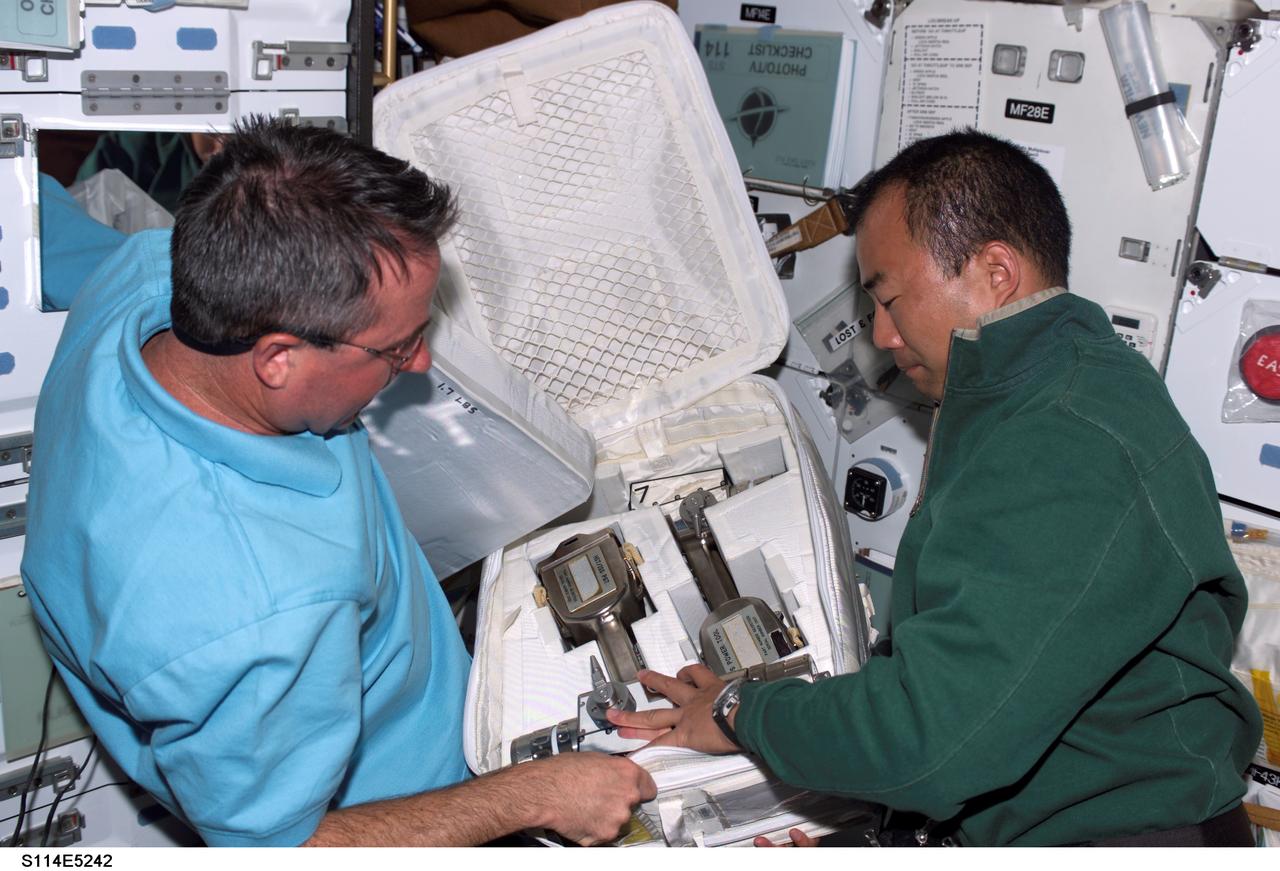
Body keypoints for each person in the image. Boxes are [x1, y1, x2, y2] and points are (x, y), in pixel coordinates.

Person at [609, 129, 1263, 846]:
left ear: (994, 272)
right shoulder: (1038, 390)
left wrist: (744, 709)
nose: (882, 336)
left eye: (888, 299)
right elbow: (979, 695)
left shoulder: (1068, 439)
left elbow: (929, 741)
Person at [21, 117, 655, 847]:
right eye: (397, 347)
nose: (419, 365)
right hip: (414, 807)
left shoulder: (143, 279)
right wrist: (529, 797)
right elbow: (279, 850)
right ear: (277, 358)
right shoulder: (256, 616)